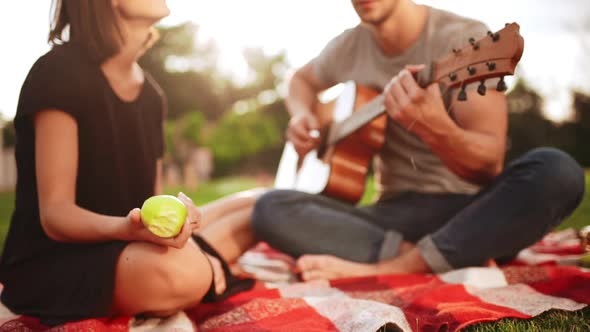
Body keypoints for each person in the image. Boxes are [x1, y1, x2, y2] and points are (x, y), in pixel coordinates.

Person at [252, 0, 585, 281]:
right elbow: (299, 81)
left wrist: (434, 125)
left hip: (470, 214)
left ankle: (391, 267)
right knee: (270, 207)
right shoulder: (349, 46)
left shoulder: (465, 40)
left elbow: (488, 165)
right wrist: (301, 115)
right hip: (390, 216)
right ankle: (431, 257)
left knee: (558, 171)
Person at [0, 0, 262, 326]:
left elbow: (151, 202)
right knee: (177, 274)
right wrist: (128, 228)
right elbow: (56, 215)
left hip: (127, 244)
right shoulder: (58, 73)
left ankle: (203, 258)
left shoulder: (152, 95)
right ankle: (205, 264)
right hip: (54, 261)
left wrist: (179, 224)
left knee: (256, 204)